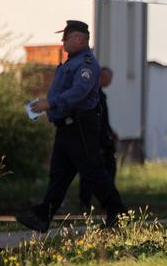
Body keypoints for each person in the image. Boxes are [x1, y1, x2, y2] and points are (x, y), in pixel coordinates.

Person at [16, 20, 126, 232]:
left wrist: (50, 103)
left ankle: (118, 213)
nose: (62, 41)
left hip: (80, 127)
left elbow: (78, 92)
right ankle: (43, 216)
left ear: (79, 39)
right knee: (59, 174)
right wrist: (47, 104)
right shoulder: (70, 62)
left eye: (66, 37)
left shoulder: (86, 64)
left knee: (93, 171)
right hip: (65, 128)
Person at [77, 66, 118, 213]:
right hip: (96, 142)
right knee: (93, 172)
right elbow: (95, 121)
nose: (111, 81)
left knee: (103, 171)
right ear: (101, 77)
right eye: (109, 78)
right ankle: (89, 202)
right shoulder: (94, 95)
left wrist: (110, 131)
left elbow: (103, 120)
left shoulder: (100, 95)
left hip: (102, 140)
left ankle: (105, 203)